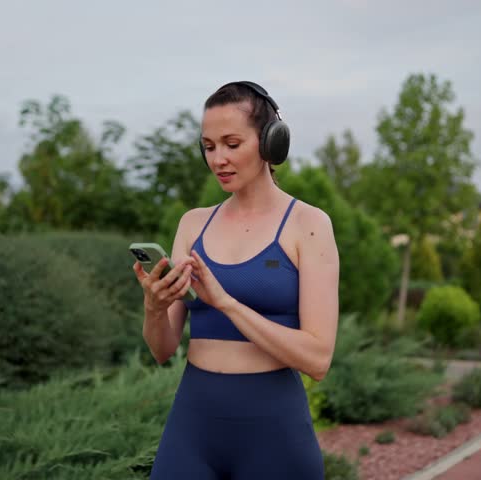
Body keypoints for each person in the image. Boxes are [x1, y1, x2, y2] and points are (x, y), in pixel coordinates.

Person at [132, 81, 340, 479]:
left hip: (274, 437)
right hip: (192, 429)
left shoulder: (308, 224)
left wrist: (225, 302)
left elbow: (317, 359)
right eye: (209, 147)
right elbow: (162, 350)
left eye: (231, 143)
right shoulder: (193, 224)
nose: (218, 159)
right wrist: (154, 308)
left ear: (270, 143)